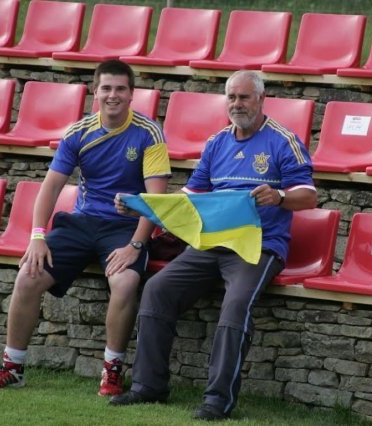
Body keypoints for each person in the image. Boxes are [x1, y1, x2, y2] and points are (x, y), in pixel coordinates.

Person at [110, 70, 317, 420]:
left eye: (244, 97)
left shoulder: (284, 141)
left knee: (235, 305)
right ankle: (148, 387)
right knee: (157, 289)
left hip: (259, 246)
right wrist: (142, 206)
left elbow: (309, 196)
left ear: (261, 99)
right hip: (211, 244)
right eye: (231, 97)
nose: (237, 104)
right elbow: (188, 198)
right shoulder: (216, 143)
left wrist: (279, 196)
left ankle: (217, 400)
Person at [0, 60, 171, 396]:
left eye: (120, 89)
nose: (113, 95)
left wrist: (136, 245)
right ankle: (13, 367)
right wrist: (37, 236)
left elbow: (156, 199)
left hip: (125, 227)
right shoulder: (78, 133)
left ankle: (112, 371)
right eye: (106, 88)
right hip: (81, 223)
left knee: (126, 282)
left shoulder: (149, 132)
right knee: (27, 275)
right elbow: (51, 187)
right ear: (95, 92)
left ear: (132, 94)